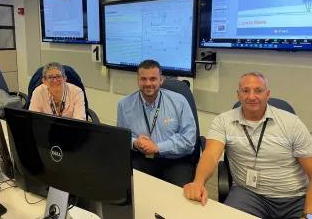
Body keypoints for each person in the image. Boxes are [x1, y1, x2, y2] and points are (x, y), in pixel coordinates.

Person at [184, 72, 312, 219]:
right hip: (249, 194)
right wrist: (198, 182)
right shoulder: (223, 121)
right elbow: (211, 155)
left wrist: (308, 214)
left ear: (267, 94)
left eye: (258, 91)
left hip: (293, 197)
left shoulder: (291, 123)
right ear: (238, 95)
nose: (251, 97)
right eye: (245, 91)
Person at [117, 59, 197, 186]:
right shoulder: (124, 104)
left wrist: (158, 147)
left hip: (175, 160)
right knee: (129, 189)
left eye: (153, 79)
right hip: (142, 158)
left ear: (161, 80)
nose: (148, 83)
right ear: (138, 80)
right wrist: (135, 143)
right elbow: (121, 138)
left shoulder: (179, 101)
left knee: (180, 196)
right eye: (143, 79)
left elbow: (189, 140)